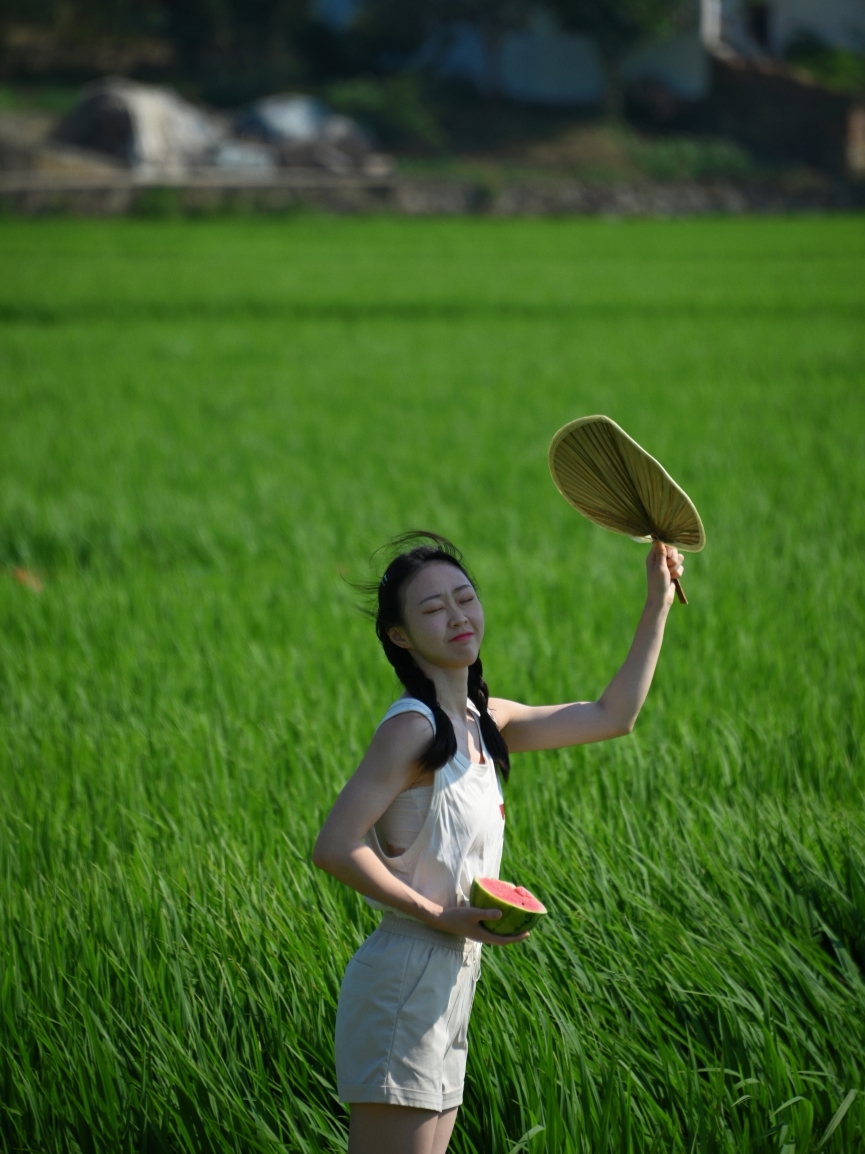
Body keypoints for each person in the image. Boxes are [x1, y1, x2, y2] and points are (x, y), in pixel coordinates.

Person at [313, 531, 684, 1154]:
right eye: (433, 609)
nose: (457, 616)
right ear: (400, 636)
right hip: (404, 975)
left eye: (465, 598)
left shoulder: (485, 721)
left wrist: (657, 601)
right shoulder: (412, 729)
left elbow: (612, 715)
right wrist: (439, 913)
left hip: (453, 979)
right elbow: (334, 844)